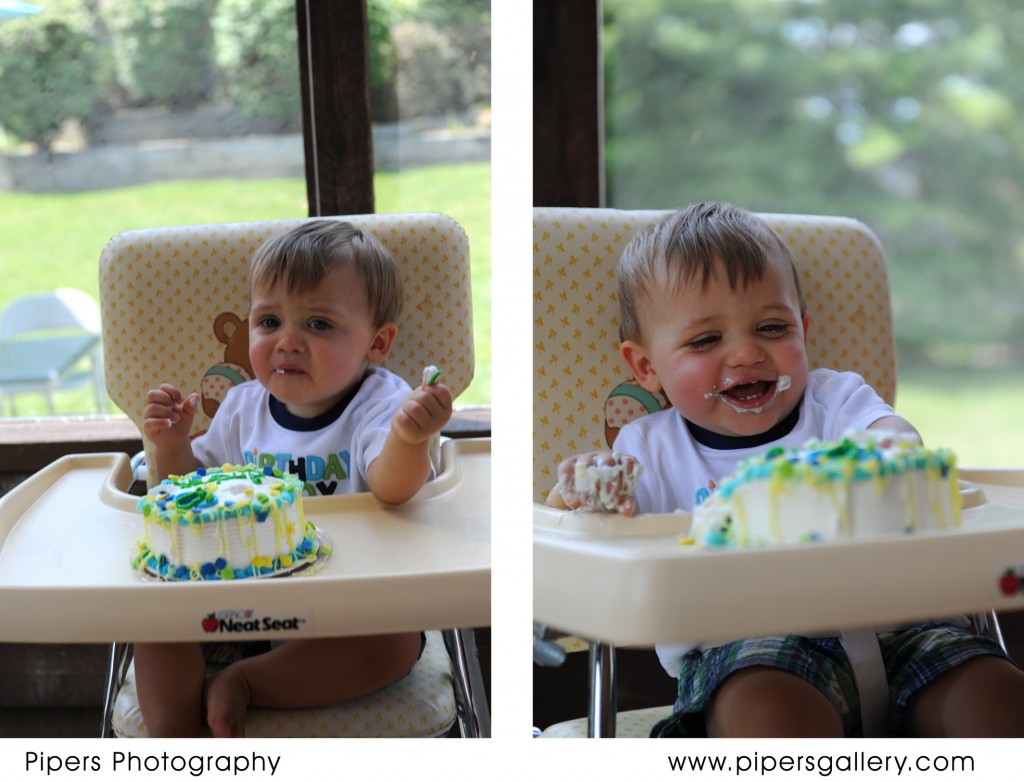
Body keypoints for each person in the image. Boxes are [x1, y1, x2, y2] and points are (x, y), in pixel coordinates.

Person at [548, 202, 1024, 737]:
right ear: (646, 367)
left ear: (803, 328)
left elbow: (899, 440)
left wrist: (881, 454)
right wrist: (587, 488)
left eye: (772, 327)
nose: (747, 352)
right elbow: (591, 534)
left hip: (904, 628)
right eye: (706, 340)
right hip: (746, 644)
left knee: (998, 698)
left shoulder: (836, 401)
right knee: (769, 715)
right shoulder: (646, 450)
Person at [137, 220, 453, 737]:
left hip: (345, 611)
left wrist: (410, 438)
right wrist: (170, 449)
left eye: (319, 325)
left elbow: (393, 488)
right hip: (232, 607)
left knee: (393, 642)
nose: (287, 342)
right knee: (147, 623)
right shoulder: (241, 408)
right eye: (268, 322)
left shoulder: (380, 406)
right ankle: (178, 750)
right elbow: (188, 502)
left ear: (377, 342)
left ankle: (248, 684)